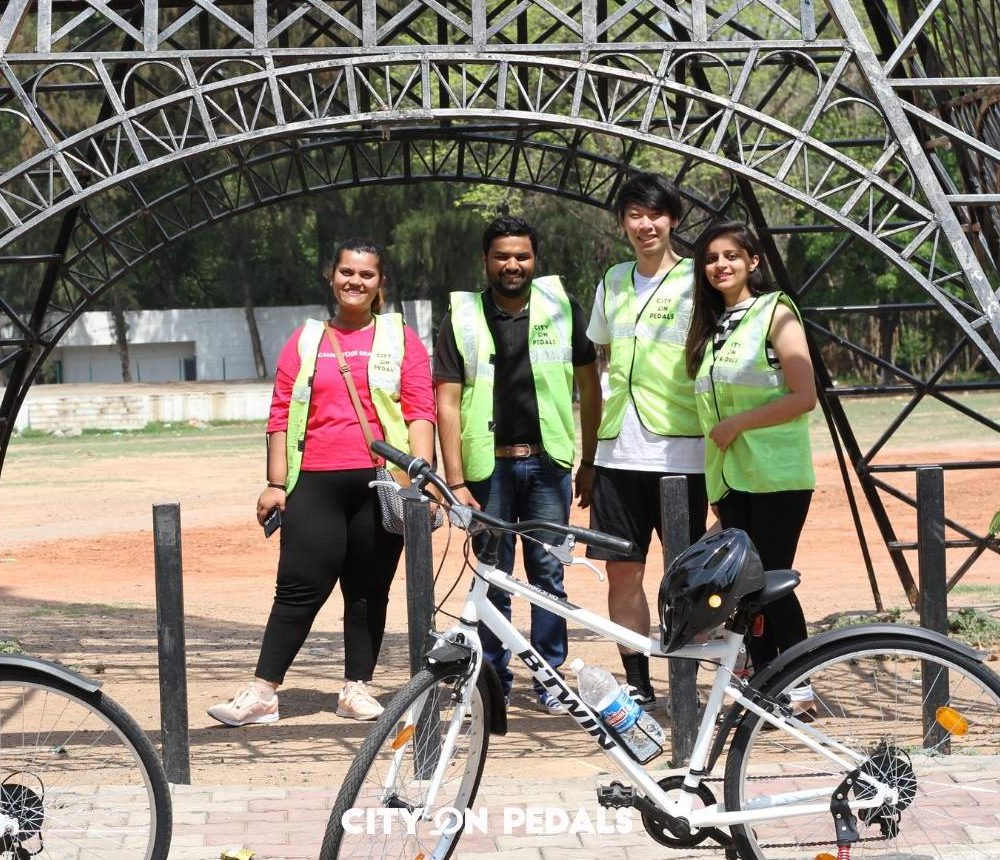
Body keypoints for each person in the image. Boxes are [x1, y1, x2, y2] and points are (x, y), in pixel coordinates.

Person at [207, 238, 436, 726]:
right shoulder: (307, 339)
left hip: (383, 483)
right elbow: (279, 411)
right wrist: (275, 482)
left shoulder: (401, 339)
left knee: (369, 590)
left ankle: (357, 688)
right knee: (298, 587)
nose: (355, 281)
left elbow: (420, 409)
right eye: (346, 272)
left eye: (366, 274)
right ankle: (264, 692)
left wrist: (421, 475)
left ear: (380, 284)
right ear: (332, 276)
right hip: (313, 480)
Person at [434, 214, 600, 714]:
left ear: (535, 259)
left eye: (522, 256)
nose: (513, 265)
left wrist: (589, 460)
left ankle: (550, 678)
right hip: (488, 472)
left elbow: (591, 386)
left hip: (548, 466)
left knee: (549, 574)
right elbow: (446, 399)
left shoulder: (563, 309)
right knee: (492, 575)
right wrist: (455, 479)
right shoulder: (462, 317)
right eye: (502, 256)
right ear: (486, 260)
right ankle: (494, 680)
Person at [585, 173, 709, 710]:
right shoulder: (612, 280)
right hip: (617, 451)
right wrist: (590, 455)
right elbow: (599, 360)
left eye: (655, 214)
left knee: (685, 576)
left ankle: (686, 677)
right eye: (634, 214)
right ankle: (637, 681)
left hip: (683, 450)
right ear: (622, 222)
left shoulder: (698, 280)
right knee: (622, 573)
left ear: (673, 220)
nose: (645, 225)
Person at [685, 220, 817, 716]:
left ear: (753, 261)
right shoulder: (710, 325)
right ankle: (766, 684)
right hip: (731, 478)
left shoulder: (775, 313)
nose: (720, 265)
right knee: (745, 588)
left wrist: (738, 424)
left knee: (770, 583)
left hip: (776, 477)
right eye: (711, 258)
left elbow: (804, 396)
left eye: (731, 256)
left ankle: (799, 686)